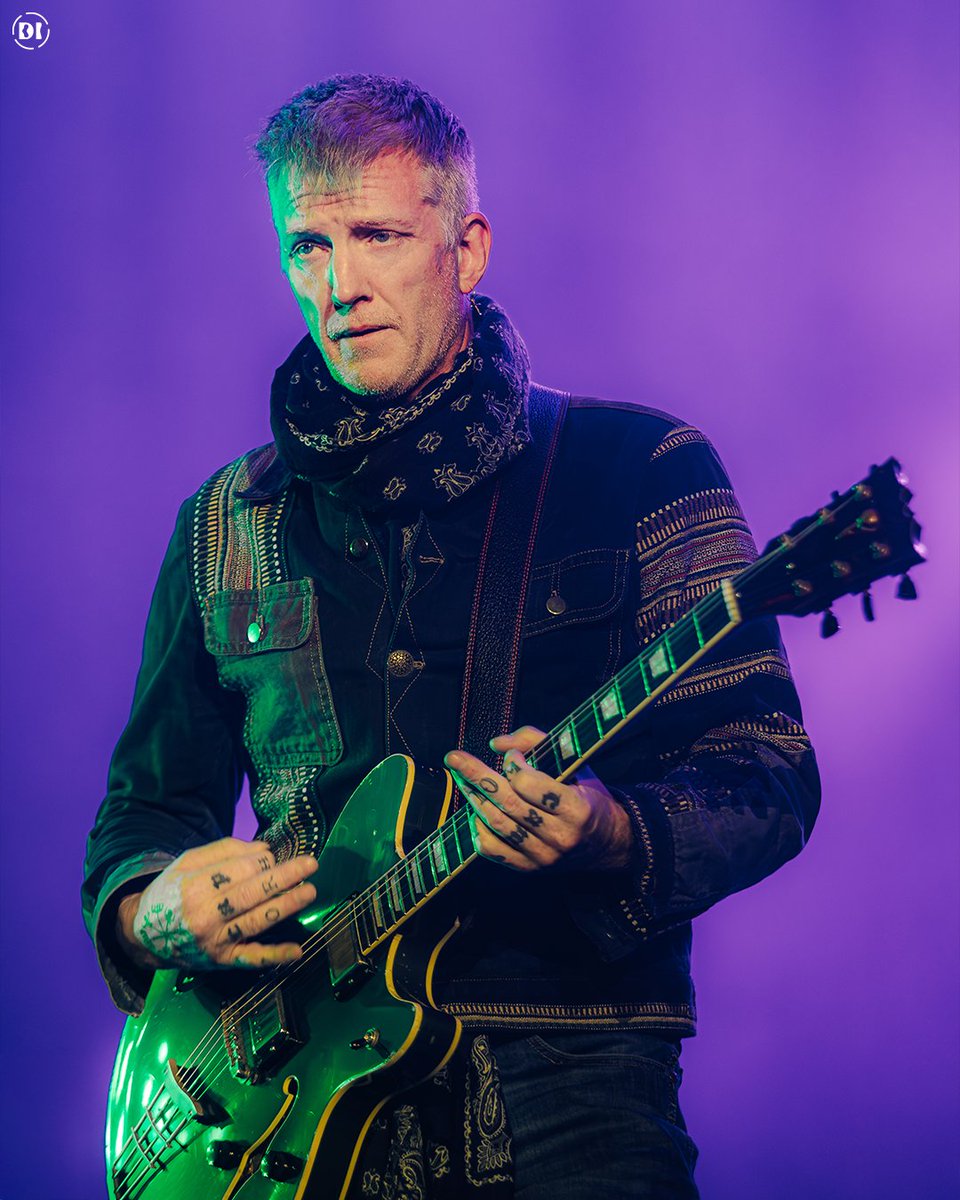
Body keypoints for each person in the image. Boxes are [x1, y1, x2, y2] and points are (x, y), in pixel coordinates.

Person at [83, 74, 820, 1199]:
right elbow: (144, 816)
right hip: (276, 1102)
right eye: (306, 248)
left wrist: (612, 832)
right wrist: (153, 907)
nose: (338, 287)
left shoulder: (642, 469)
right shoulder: (224, 522)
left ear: (467, 249)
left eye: (375, 236)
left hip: (566, 1080)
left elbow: (767, 774)